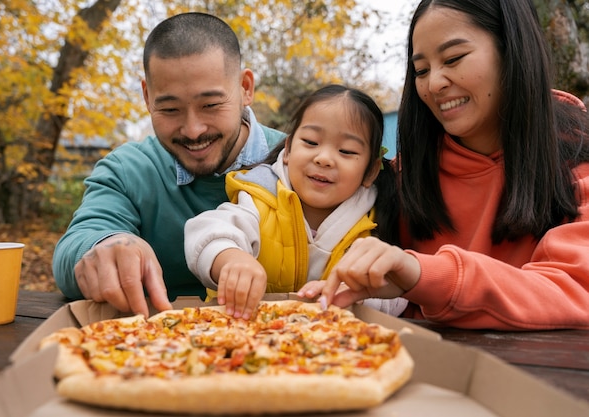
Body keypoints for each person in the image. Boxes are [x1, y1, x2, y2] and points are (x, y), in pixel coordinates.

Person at [300, 0, 589, 330]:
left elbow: (575, 288)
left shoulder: (577, 162)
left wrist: (422, 274)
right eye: (421, 70)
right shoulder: (399, 180)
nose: (434, 83)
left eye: (453, 59)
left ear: (512, 50)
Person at [52, 12, 285, 317]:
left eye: (211, 105)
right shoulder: (127, 169)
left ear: (245, 88)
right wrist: (108, 244)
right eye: (170, 109)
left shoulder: (305, 163)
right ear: (148, 97)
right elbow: (74, 249)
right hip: (152, 353)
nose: (193, 130)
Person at [184, 84, 407, 320]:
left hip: (331, 346)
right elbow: (207, 231)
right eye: (311, 142)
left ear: (371, 171)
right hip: (237, 333)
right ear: (288, 149)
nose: (324, 159)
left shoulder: (371, 229)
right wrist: (230, 259)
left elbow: (398, 291)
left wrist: (358, 292)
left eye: (346, 151)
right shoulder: (259, 198)